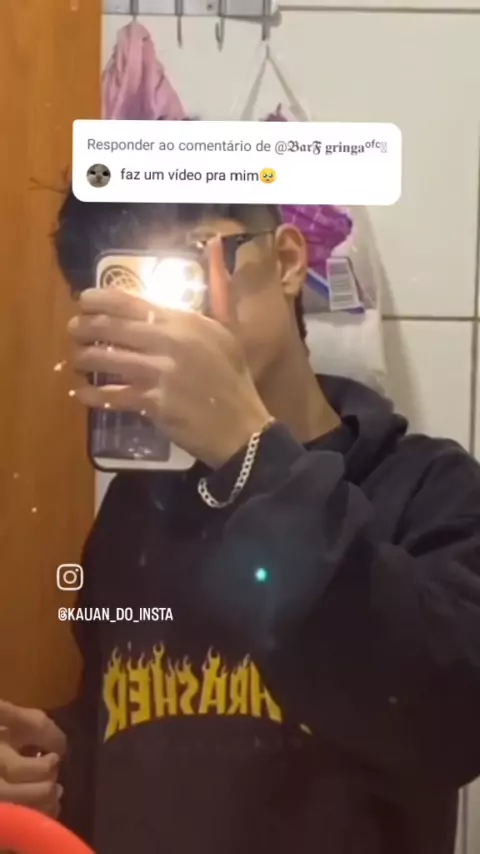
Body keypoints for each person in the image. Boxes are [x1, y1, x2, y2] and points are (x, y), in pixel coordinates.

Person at [2, 193, 480, 854]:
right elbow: (131, 727)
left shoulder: (428, 489)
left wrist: (249, 452)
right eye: (122, 285)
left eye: (186, 263)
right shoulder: (134, 510)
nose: (163, 319)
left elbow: (452, 726)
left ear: (285, 260)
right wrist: (56, 768)